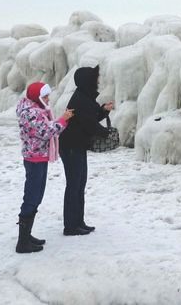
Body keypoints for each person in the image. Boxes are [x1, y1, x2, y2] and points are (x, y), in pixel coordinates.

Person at [15, 82, 73, 253]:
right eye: (45, 96)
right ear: (37, 97)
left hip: (38, 157)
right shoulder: (31, 113)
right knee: (32, 197)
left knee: (36, 196)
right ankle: (22, 242)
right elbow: (46, 132)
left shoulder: (35, 110)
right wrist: (64, 120)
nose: (48, 99)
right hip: (34, 159)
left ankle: (27, 235)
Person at [58, 65, 114, 236]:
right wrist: (106, 133)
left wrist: (103, 110)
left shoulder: (85, 97)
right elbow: (89, 124)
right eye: (94, 78)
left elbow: (92, 117)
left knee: (79, 184)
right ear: (87, 81)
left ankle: (78, 221)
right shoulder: (79, 99)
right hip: (70, 148)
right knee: (74, 185)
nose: (97, 81)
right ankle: (70, 226)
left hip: (78, 146)